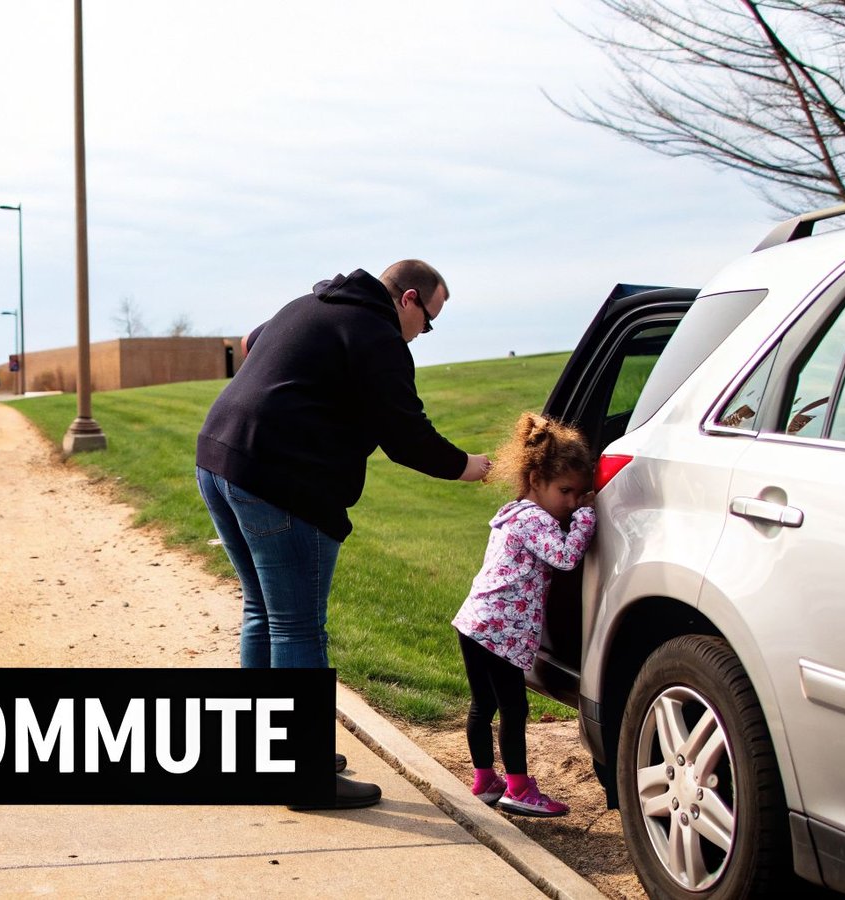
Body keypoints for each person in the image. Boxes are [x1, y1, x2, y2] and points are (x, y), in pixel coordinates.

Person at [195, 260, 491, 810]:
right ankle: (303, 774)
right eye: (428, 321)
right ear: (408, 298)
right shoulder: (376, 335)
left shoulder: (311, 305)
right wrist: (469, 466)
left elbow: (252, 339)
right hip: (278, 479)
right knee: (298, 628)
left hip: (217, 457)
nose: (423, 334)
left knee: (262, 611)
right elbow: (406, 435)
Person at [451, 412, 595, 818]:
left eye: (578, 494)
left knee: (483, 706)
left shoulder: (512, 512)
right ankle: (519, 788)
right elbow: (566, 558)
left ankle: (484, 780)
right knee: (514, 709)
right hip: (500, 630)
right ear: (535, 481)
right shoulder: (535, 518)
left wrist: (573, 509)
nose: (570, 501)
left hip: (476, 623)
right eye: (565, 491)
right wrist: (587, 514)